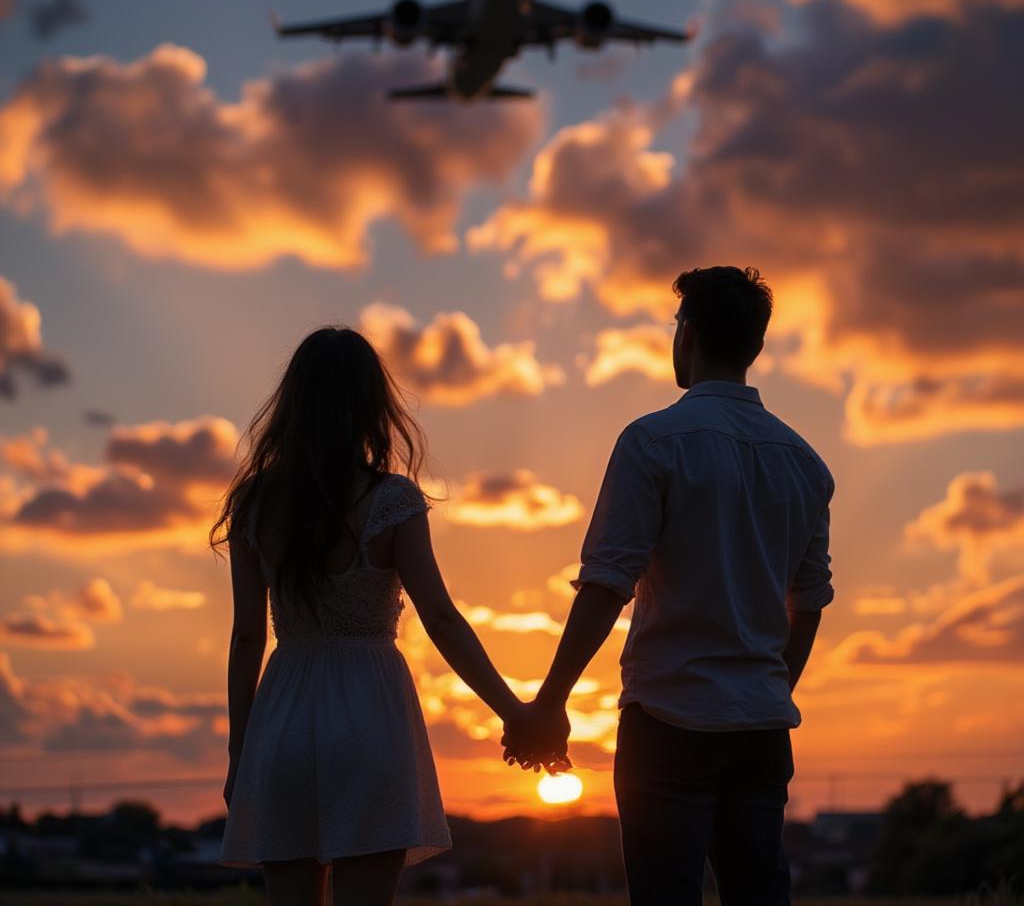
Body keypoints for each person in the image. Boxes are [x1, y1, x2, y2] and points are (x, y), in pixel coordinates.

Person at [503, 266, 835, 904]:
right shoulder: (804, 462)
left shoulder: (653, 442)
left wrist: (549, 703)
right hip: (761, 726)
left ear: (687, 334)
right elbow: (811, 603)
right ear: (754, 346)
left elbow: (606, 584)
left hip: (667, 722)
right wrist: (764, 688)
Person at [211, 326, 565, 906]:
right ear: (371, 406)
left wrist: (240, 756)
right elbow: (443, 621)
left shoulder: (255, 502)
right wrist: (517, 713)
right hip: (371, 721)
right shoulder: (393, 500)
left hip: (282, 725)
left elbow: (247, 637)